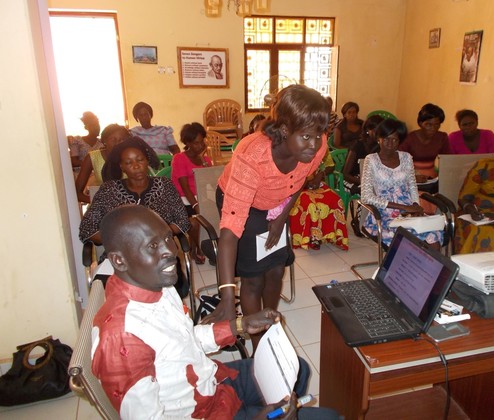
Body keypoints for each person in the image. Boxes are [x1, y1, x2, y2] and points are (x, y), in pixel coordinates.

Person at [92, 205, 339, 419]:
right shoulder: (121, 338)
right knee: (329, 416)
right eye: (152, 246)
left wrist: (241, 326)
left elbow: (184, 340)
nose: (169, 252)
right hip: (200, 412)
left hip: (213, 384)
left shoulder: (156, 285)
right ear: (119, 261)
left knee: (299, 369)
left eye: (168, 238)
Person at [206, 85, 330, 351]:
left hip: (277, 204)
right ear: (285, 130)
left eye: (319, 135)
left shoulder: (316, 145)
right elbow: (230, 230)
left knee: (275, 268)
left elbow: (298, 181)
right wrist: (228, 296)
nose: (315, 144)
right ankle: (258, 343)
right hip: (244, 204)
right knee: (253, 278)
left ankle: (269, 323)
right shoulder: (252, 156)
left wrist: (282, 217)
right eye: (307, 136)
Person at [79, 137, 190, 297]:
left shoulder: (165, 186)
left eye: (140, 160)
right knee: (123, 297)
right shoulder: (109, 191)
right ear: (121, 166)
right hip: (121, 260)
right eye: (129, 162)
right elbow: (87, 229)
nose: (136, 166)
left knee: (174, 290)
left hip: (160, 256)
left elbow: (182, 222)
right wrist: (124, 244)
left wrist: (155, 241)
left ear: (147, 161)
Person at [361, 119, 443, 248]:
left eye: (395, 139)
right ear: (379, 139)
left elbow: (412, 185)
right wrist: (403, 207)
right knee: (410, 238)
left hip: (409, 209)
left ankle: (426, 267)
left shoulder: (406, 157)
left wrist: (415, 204)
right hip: (384, 212)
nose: (390, 143)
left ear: (400, 141)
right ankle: (406, 266)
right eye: (386, 139)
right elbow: (366, 197)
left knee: (433, 234)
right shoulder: (371, 160)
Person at [289, 148, 349, 251]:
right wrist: (305, 182)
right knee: (310, 205)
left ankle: (333, 235)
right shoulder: (292, 145)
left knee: (336, 201)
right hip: (295, 186)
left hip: (316, 183)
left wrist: (320, 174)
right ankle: (311, 237)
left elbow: (331, 165)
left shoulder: (321, 146)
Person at [171, 122, 213, 265]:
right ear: (187, 143)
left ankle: (195, 248)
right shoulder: (179, 159)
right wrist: (196, 205)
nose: (200, 145)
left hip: (200, 196)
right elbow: (185, 188)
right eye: (196, 143)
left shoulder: (205, 160)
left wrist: (203, 161)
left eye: (202, 142)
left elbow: (209, 182)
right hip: (183, 199)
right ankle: (199, 248)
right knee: (195, 223)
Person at [74, 124, 129, 203]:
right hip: (103, 210)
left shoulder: (131, 157)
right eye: (113, 139)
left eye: (121, 140)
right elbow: (77, 193)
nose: (117, 143)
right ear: (104, 140)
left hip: (128, 207)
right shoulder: (92, 157)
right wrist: (100, 203)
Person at [399, 103, 451, 183]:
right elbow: (398, 163)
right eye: (428, 124)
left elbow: (447, 160)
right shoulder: (409, 138)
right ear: (420, 123)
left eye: (437, 125)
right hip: (410, 181)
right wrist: (413, 177)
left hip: (432, 180)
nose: (433, 128)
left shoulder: (442, 138)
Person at [342, 114, 384, 196]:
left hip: (368, 180)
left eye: (380, 130)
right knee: (365, 192)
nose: (378, 133)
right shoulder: (357, 145)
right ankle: (362, 208)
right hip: (351, 180)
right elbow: (345, 174)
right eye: (375, 130)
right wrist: (363, 182)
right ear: (367, 130)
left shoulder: (380, 147)